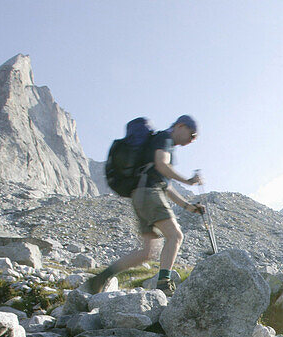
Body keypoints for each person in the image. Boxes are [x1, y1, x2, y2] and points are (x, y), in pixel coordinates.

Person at [88, 115, 205, 295]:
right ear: (181, 126)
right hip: (150, 193)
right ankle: (164, 284)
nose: (191, 141)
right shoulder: (164, 138)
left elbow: (166, 185)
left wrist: (188, 206)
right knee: (175, 236)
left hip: (141, 194)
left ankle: (101, 278)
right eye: (192, 135)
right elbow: (161, 165)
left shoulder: (159, 142)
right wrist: (189, 181)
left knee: (149, 251)